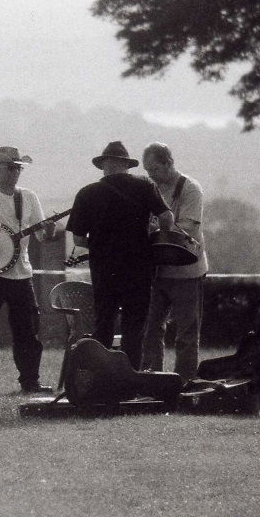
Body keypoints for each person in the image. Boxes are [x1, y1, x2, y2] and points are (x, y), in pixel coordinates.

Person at [65, 141, 174, 369]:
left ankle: (102, 380)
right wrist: (156, 238)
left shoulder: (86, 193)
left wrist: (99, 243)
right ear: (126, 164)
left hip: (104, 269)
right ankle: (131, 377)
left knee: (103, 324)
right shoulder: (145, 186)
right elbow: (167, 218)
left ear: (104, 164)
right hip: (139, 268)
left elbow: (77, 239)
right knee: (134, 327)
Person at [0, 146, 56, 394]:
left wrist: (50, 230)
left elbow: (41, 236)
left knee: (28, 331)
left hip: (22, 273)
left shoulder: (29, 197)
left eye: (18, 168)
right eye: (10, 168)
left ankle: (30, 381)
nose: (15, 173)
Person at [141, 142, 208, 382]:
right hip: (158, 271)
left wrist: (157, 225)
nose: (151, 176)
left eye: (155, 170)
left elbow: (188, 226)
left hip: (187, 271)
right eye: (148, 171)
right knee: (150, 328)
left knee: (186, 332)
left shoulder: (191, 189)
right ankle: (152, 381)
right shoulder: (149, 188)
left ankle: (185, 382)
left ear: (169, 163)